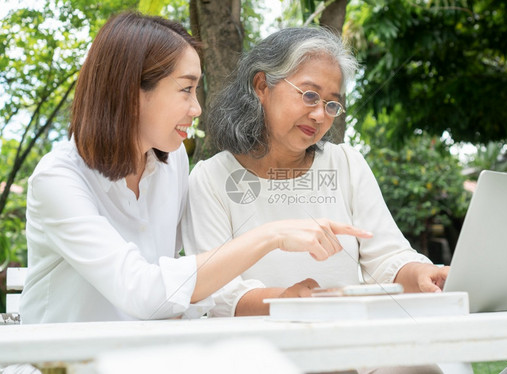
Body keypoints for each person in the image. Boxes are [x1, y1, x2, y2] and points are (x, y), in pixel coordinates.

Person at [19, 13, 371, 324]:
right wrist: (272, 235)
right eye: (186, 89)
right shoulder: (59, 180)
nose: (196, 108)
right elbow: (142, 291)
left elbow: (185, 286)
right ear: (132, 91)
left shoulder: (171, 165)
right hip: (62, 362)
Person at [183, 27, 450, 318]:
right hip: (259, 352)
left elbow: (388, 258)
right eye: (310, 95)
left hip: (348, 343)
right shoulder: (211, 178)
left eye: (331, 103)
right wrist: (284, 302)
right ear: (262, 86)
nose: (320, 114)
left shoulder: (346, 164)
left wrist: (422, 273)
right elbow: (218, 294)